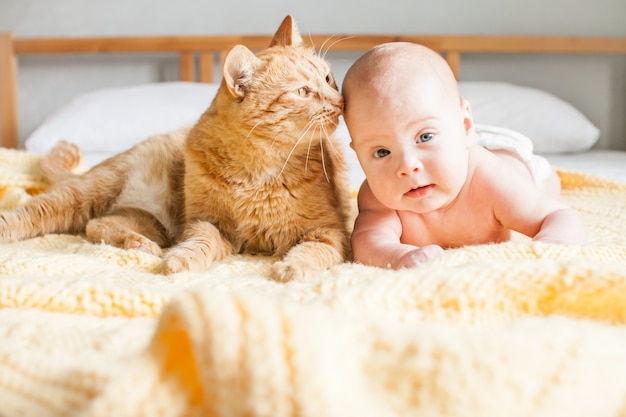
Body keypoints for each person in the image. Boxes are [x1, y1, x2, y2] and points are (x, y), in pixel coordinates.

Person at [342, 42, 588, 269]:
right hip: (455, 149)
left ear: (466, 124)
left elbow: (557, 216)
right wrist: (398, 257)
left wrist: (551, 246)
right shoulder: (379, 197)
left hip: (506, 156)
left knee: (543, 183)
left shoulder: (490, 179)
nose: (407, 166)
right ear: (360, 157)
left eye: (424, 137)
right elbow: (368, 242)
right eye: (382, 152)